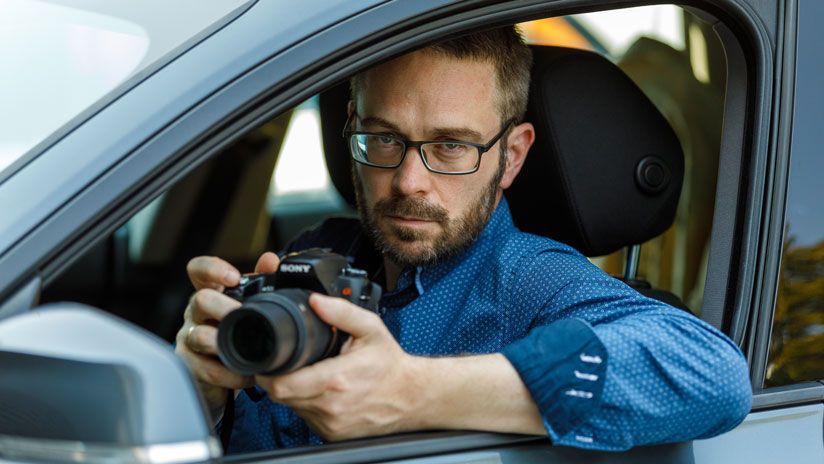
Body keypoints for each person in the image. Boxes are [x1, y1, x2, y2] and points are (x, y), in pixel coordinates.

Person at [174, 26, 752, 453]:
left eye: (451, 146)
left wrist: (413, 392)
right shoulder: (317, 251)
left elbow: (713, 374)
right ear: (351, 126)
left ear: (512, 156)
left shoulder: (529, 280)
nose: (407, 181)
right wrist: (202, 395)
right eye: (383, 138)